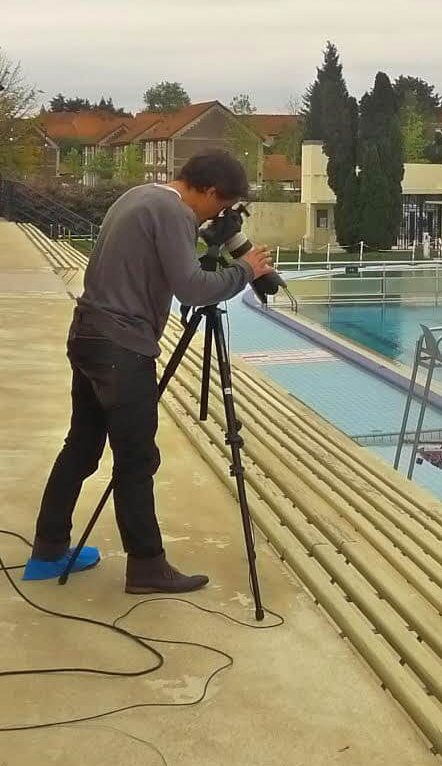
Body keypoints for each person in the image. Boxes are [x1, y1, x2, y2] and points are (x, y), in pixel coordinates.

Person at [24, 150, 274, 593]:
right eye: (220, 206)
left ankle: (47, 551)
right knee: (137, 460)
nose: (218, 215)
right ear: (211, 191)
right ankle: (146, 566)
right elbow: (194, 289)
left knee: (81, 448)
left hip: (88, 334)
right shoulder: (171, 212)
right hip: (122, 348)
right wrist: (244, 269)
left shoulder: (139, 196)